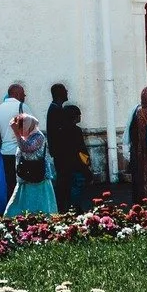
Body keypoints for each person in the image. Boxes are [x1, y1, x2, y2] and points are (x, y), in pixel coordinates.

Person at [5, 112, 58, 217]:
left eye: (20, 127)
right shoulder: (27, 137)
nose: (19, 131)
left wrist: (16, 134)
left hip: (38, 178)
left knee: (39, 208)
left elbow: (27, 148)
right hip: (26, 178)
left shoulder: (38, 137)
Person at [45, 85, 80, 213]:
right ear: (60, 94)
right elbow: (60, 133)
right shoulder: (56, 110)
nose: (67, 92)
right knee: (63, 181)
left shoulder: (56, 108)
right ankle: (63, 207)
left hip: (60, 152)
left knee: (64, 180)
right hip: (62, 153)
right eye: (65, 91)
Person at [0, 84, 26, 206]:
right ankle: (21, 208)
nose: (24, 96)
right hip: (21, 150)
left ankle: (10, 207)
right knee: (23, 182)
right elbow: (31, 129)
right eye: (23, 94)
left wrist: (4, 141)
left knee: (10, 182)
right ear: (16, 94)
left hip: (5, 151)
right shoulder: (22, 106)